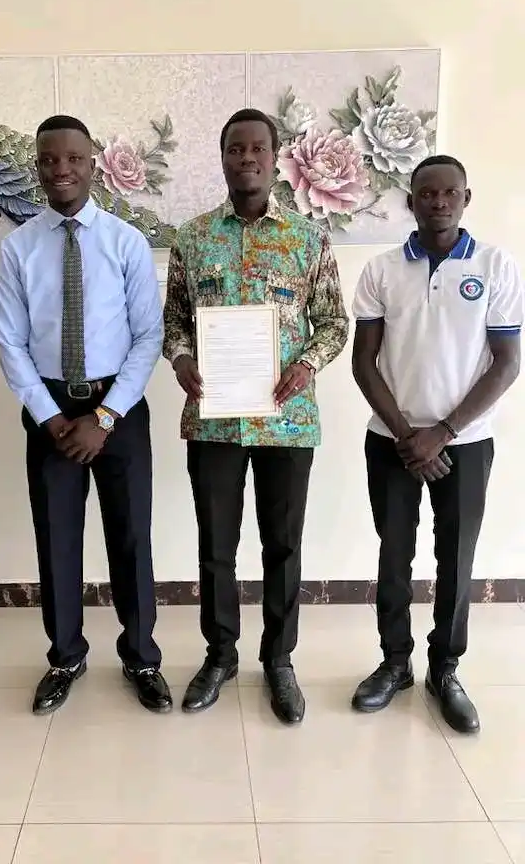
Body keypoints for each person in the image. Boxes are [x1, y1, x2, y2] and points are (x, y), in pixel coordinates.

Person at [163, 108, 349, 724]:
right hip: (214, 419)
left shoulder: (309, 238)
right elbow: (173, 324)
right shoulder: (191, 239)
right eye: (235, 149)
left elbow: (334, 322)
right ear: (222, 159)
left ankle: (279, 660)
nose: (247, 158)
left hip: (285, 419)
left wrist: (307, 367)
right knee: (216, 547)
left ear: (274, 157)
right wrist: (183, 361)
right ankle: (219, 656)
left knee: (283, 545)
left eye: (258, 149)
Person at [0, 114, 171, 715]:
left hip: (117, 409)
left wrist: (106, 417)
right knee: (57, 541)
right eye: (48, 159)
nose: (60, 169)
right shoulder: (18, 247)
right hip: (50, 411)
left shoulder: (125, 241)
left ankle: (141, 656)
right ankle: (65, 655)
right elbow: (9, 341)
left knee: (131, 537)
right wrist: (49, 417)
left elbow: (149, 335)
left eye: (72, 157)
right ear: (37, 166)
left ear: (93, 161)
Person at [350, 155, 522, 733]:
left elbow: (505, 365)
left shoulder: (496, 267)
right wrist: (407, 435)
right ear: (412, 201)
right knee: (393, 554)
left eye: (450, 193)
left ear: (466, 198)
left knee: (456, 557)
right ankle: (394, 663)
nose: (439, 202)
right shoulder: (381, 270)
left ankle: (444, 669)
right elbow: (363, 361)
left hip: (465, 442)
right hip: (392, 441)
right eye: (427, 193)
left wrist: (442, 432)